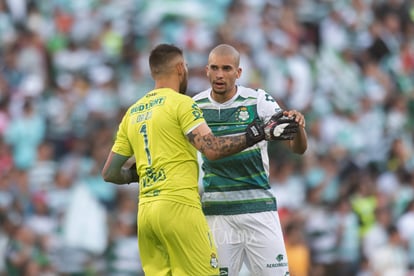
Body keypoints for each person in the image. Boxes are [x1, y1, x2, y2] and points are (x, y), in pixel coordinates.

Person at [101, 43, 266, 276]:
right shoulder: (182, 103)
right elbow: (212, 149)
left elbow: (109, 173)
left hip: (146, 214)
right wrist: (254, 135)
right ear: (180, 68)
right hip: (179, 208)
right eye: (186, 67)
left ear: (153, 72)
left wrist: (133, 175)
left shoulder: (133, 113)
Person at [193, 44, 308, 276]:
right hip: (217, 211)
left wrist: (299, 126)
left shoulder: (258, 100)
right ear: (206, 70)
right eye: (214, 68)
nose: (219, 74)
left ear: (238, 72)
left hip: (258, 209)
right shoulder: (194, 105)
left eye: (226, 68)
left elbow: (297, 148)